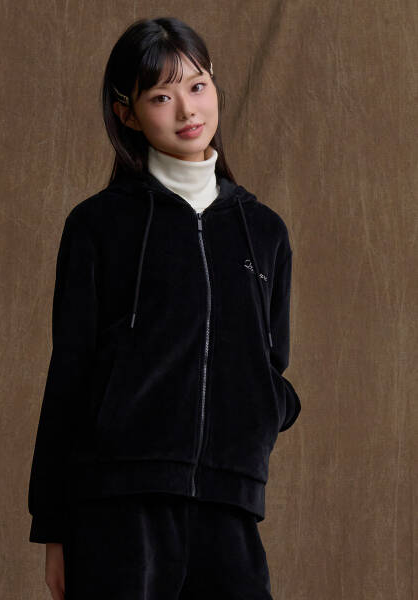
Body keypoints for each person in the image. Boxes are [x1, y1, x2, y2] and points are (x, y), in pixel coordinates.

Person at [27, 16, 301, 600]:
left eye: (197, 86)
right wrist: (53, 529)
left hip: (228, 503)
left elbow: (272, 360)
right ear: (127, 114)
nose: (187, 111)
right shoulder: (97, 226)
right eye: (160, 96)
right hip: (118, 507)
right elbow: (68, 377)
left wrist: (262, 407)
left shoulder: (263, 232)